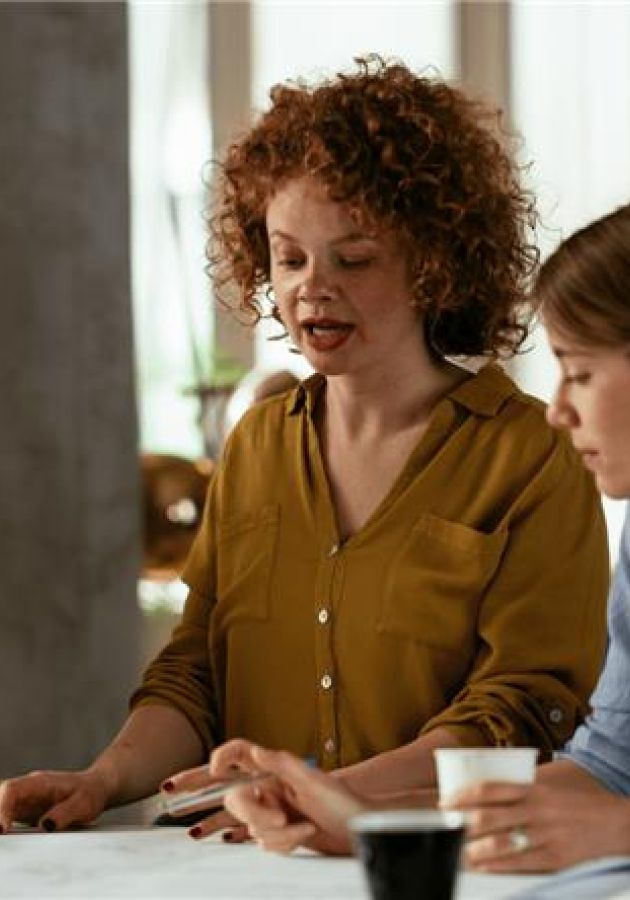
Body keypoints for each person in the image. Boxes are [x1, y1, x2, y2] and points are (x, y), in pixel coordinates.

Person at [0, 56, 607, 837]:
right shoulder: (256, 445)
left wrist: (321, 797)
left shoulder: (529, 454)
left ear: (434, 264)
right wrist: (101, 779)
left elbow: (524, 708)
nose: (311, 288)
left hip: (430, 869)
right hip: (237, 867)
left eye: (353, 259)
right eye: (289, 257)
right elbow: (196, 675)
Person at [189, 203, 630, 868]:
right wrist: (366, 821)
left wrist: (620, 830)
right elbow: (607, 768)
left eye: (581, 372)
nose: (561, 410)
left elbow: (604, 802)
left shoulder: (525, 450)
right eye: (290, 257)